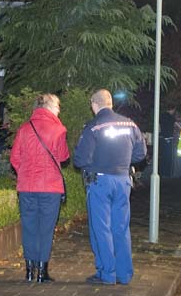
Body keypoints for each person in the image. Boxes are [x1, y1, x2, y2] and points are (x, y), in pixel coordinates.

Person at [73, 89, 146, 285]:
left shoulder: (94, 126)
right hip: (123, 181)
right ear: (110, 103)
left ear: (94, 105)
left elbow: (80, 160)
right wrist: (121, 162)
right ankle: (124, 274)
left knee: (101, 228)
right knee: (121, 228)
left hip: (100, 182)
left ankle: (107, 273)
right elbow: (140, 154)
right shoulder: (129, 124)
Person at [10, 93, 69, 283]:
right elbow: (64, 156)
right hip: (50, 188)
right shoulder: (58, 129)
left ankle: (29, 271)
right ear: (50, 107)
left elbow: (15, 159)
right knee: (46, 229)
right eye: (58, 107)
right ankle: (42, 272)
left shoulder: (24, 128)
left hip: (27, 187)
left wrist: (26, 173)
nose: (59, 110)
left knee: (29, 227)